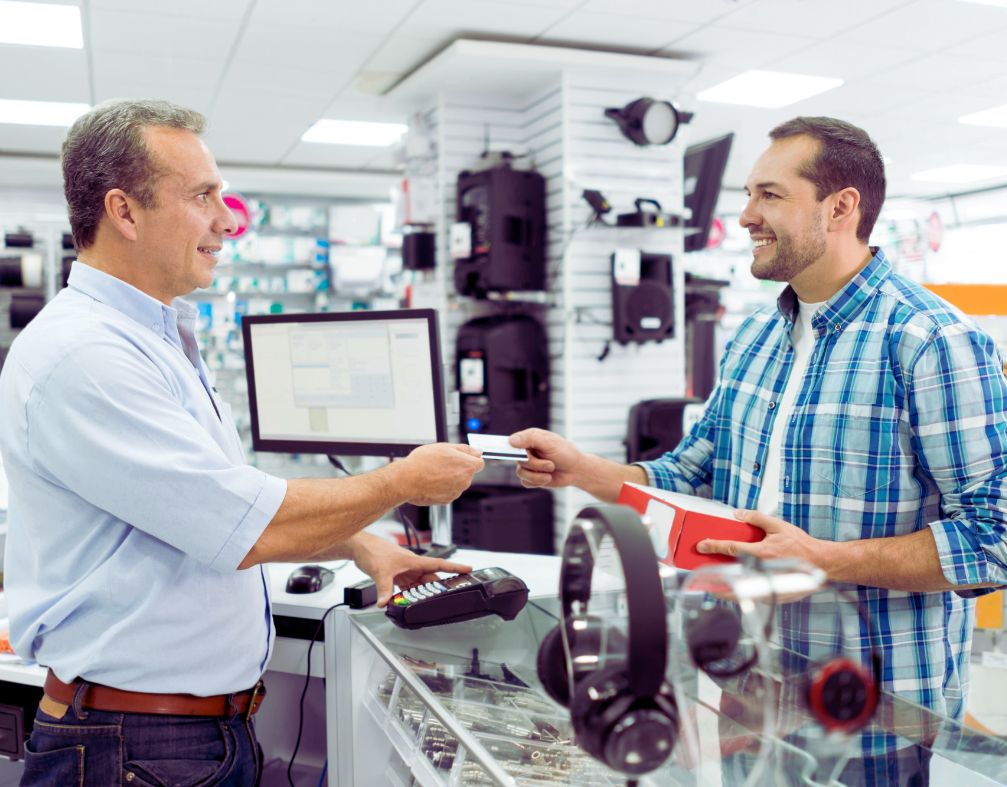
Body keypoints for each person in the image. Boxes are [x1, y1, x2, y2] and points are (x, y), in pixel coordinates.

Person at [0, 99, 484, 786]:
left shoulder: (153, 341)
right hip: (132, 747)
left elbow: (198, 518)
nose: (227, 219)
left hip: (177, 738)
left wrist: (357, 541)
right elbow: (242, 524)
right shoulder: (86, 355)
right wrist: (402, 480)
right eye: (202, 196)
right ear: (125, 212)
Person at [511, 117, 1007, 773]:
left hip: (867, 719)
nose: (744, 216)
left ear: (839, 207)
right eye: (746, 194)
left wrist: (819, 558)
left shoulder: (929, 341)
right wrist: (582, 470)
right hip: (745, 699)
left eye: (768, 195)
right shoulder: (754, 337)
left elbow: (993, 536)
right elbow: (689, 475)